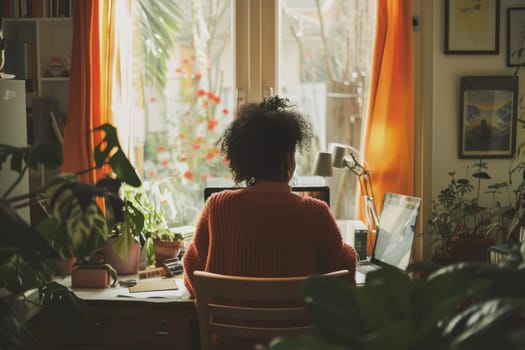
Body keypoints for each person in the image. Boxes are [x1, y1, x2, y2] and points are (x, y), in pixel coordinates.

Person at [183, 95, 357, 349]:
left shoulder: (218, 207)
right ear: (289, 158)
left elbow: (193, 269)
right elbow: (344, 276)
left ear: (244, 159)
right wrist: (349, 249)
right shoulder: (316, 213)